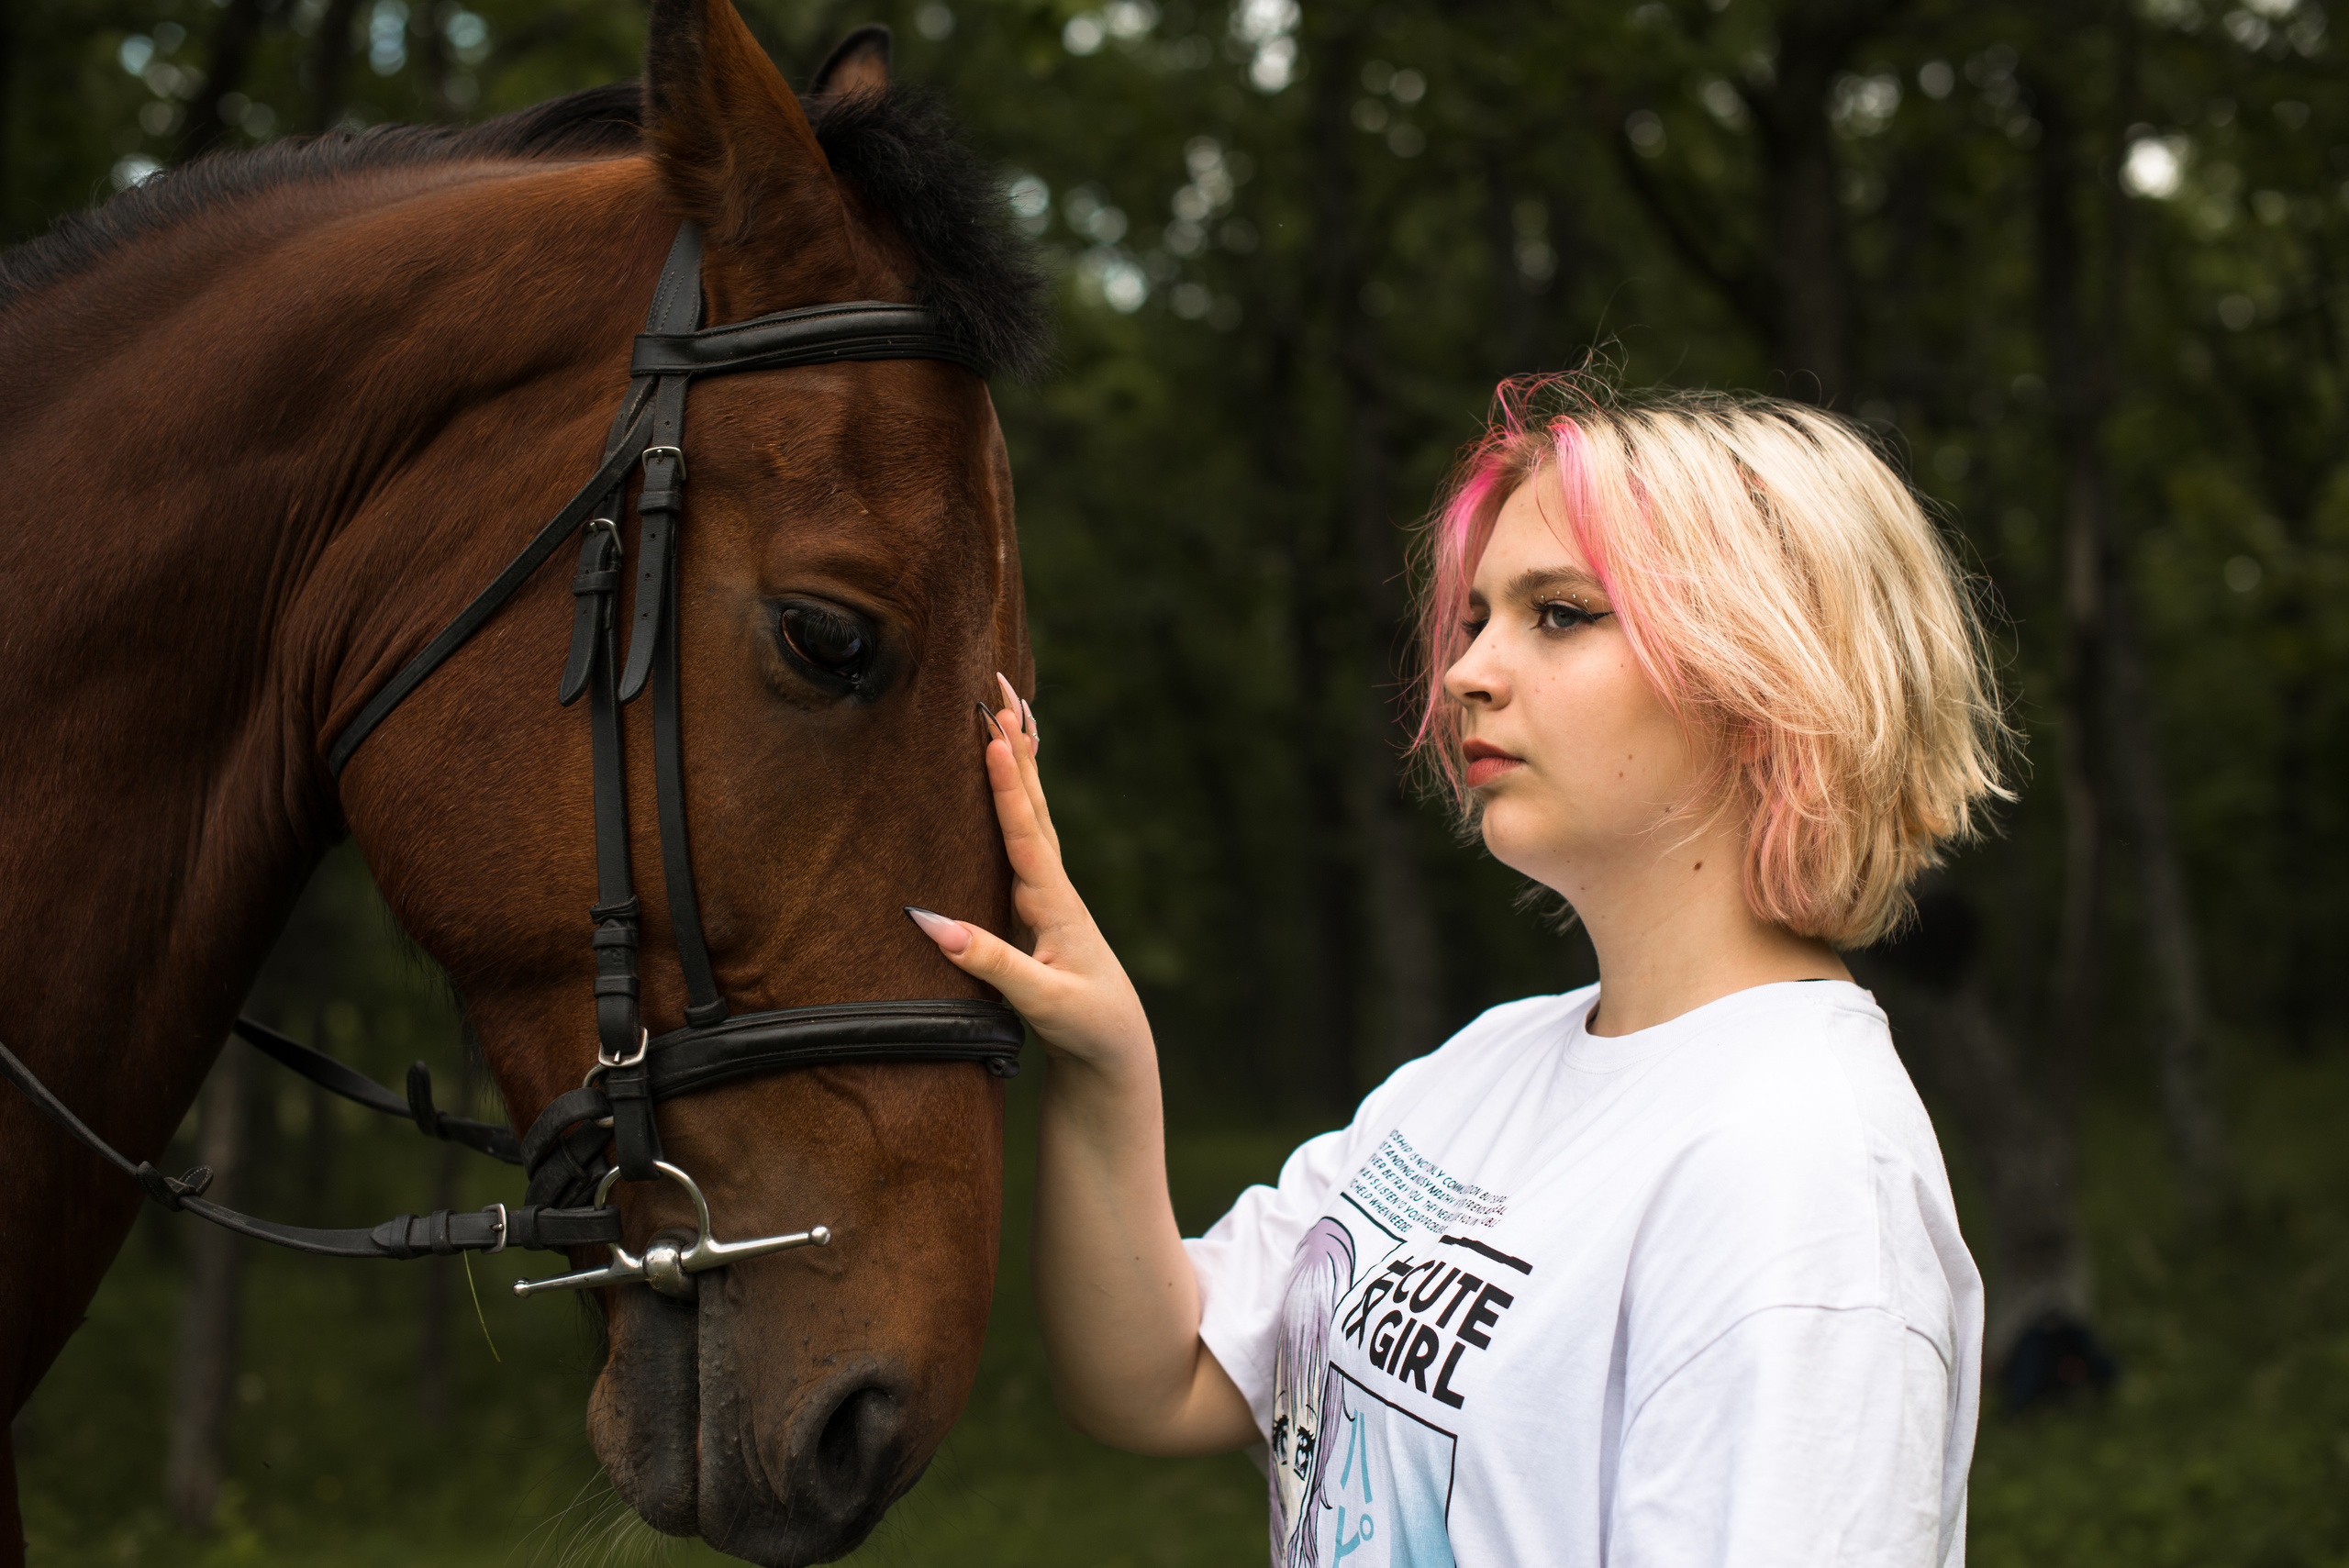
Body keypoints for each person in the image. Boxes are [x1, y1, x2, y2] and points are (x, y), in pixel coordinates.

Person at [905, 378, 2009, 1566]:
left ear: (1768, 678)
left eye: (1561, 614)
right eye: (1478, 618)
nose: (1468, 671)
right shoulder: (1491, 1065)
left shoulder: (1802, 1174)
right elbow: (1159, 1378)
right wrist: (1109, 1062)